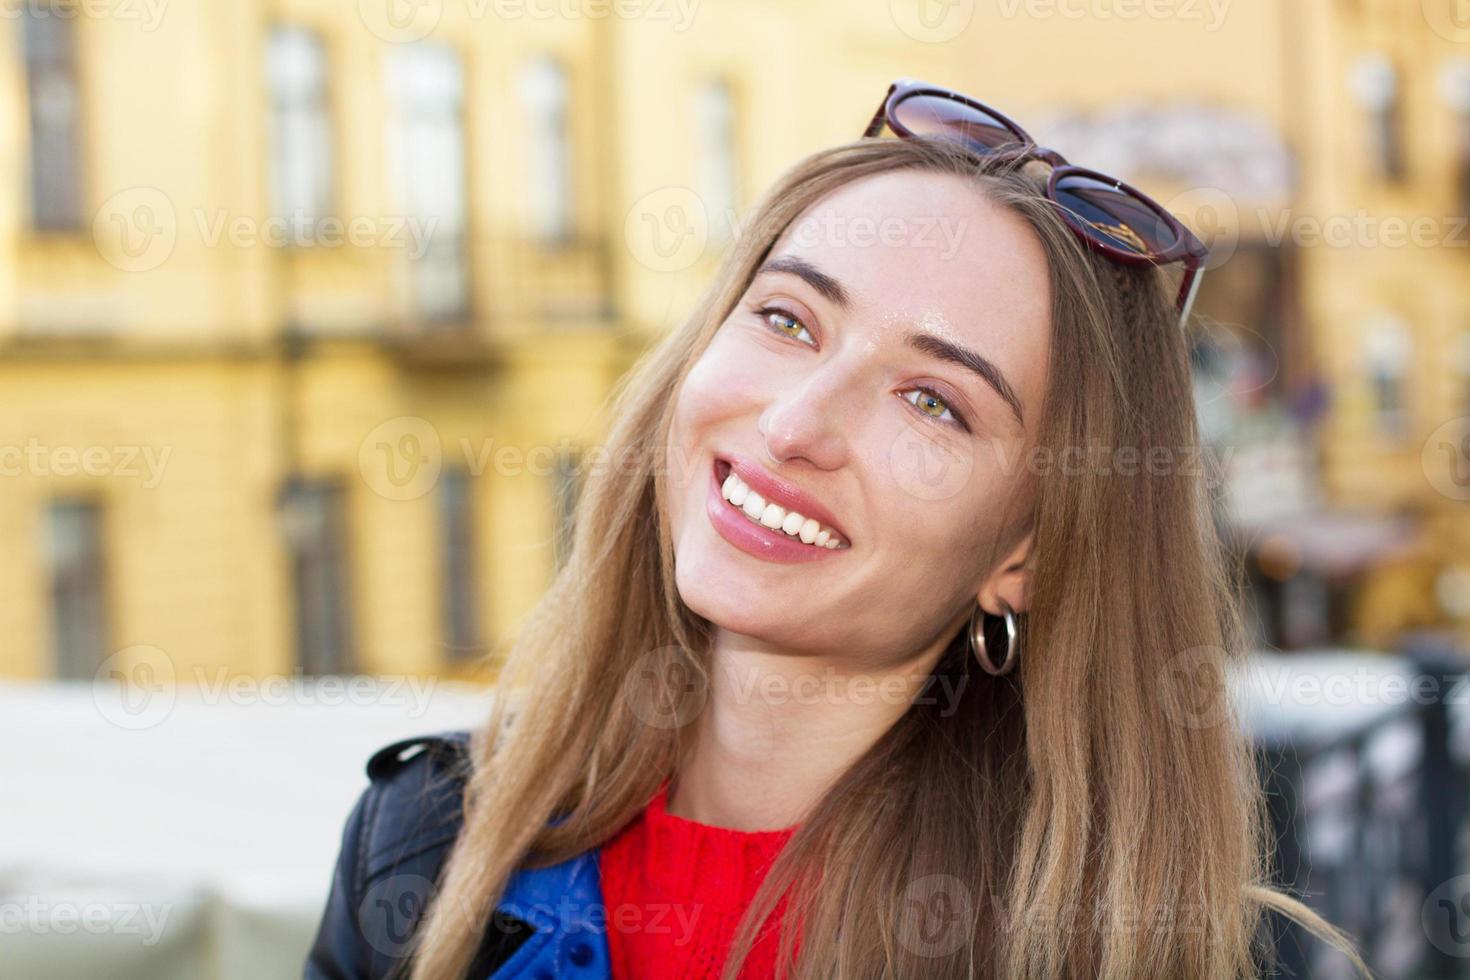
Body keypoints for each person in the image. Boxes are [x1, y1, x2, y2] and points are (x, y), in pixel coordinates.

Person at [305, 78, 1369, 980]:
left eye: (934, 401)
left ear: (1028, 553)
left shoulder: (1118, 948)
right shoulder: (423, 846)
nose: (795, 423)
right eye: (787, 319)